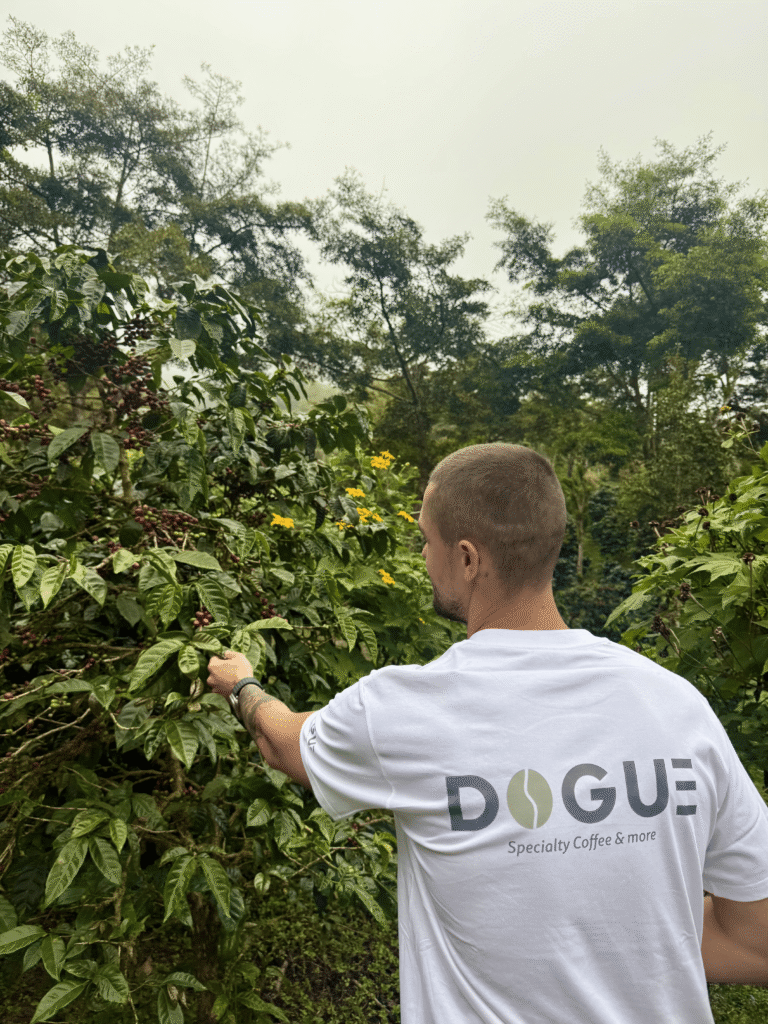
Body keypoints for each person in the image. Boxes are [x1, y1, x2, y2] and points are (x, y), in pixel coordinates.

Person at [208, 442, 768, 1024]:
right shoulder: (676, 705)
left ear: (469, 558)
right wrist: (634, 942)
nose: (425, 556)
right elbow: (757, 941)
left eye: (427, 540)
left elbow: (287, 743)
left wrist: (244, 687)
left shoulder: (405, 708)